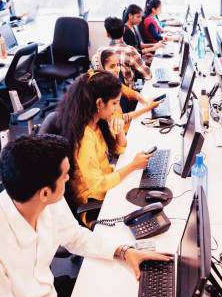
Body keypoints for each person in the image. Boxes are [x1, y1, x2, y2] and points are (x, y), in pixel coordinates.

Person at [0, 134, 170, 297]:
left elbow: (74, 236)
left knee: (124, 296)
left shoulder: (41, 199)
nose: (69, 179)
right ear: (45, 193)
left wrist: (124, 251)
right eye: (65, 176)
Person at [56, 71, 153, 216]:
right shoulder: (85, 137)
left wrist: (119, 131)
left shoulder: (97, 122)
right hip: (95, 203)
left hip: (108, 184)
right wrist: (133, 166)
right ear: (100, 103)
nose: (116, 108)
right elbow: (98, 186)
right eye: (114, 103)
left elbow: (119, 150)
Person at [99, 49, 160, 132]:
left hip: (124, 128)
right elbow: (121, 119)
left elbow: (133, 94)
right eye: (112, 66)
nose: (117, 69)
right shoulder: (102, 93)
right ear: (101, 69)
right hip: (121, 133)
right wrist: (149, 107)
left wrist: (145, 102)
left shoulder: (113, 83)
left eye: (118, 65)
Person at [91, 17, 152, 88]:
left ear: (107, 34)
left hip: (107, 94)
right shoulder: (130, 50)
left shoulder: (100, 51)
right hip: (128, 95)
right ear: (124, 30)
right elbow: (148, 75)